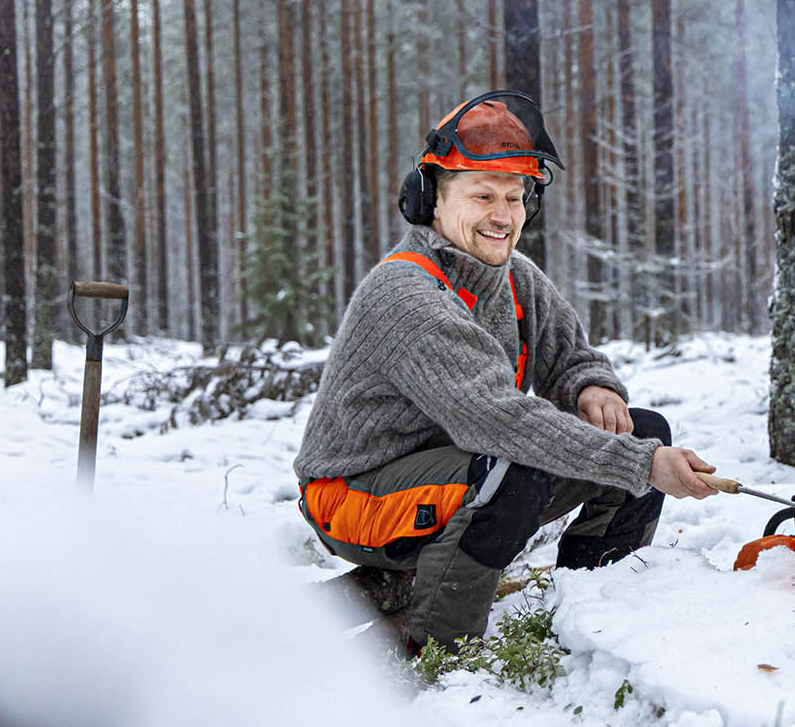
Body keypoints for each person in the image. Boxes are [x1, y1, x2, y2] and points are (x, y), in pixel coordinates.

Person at [294, 90, 717, 650]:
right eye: (482, 196)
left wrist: (592, 386)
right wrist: (640, 464)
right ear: (432, 201)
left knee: (643, 431)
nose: (502, 216)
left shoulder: (515, 276)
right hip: (352, 495)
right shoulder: (403, 296)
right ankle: (437, 650)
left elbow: (572, 356)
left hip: (458, 473)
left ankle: (591, 611)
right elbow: (498, 420)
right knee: (514, 472)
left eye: (515, 199)